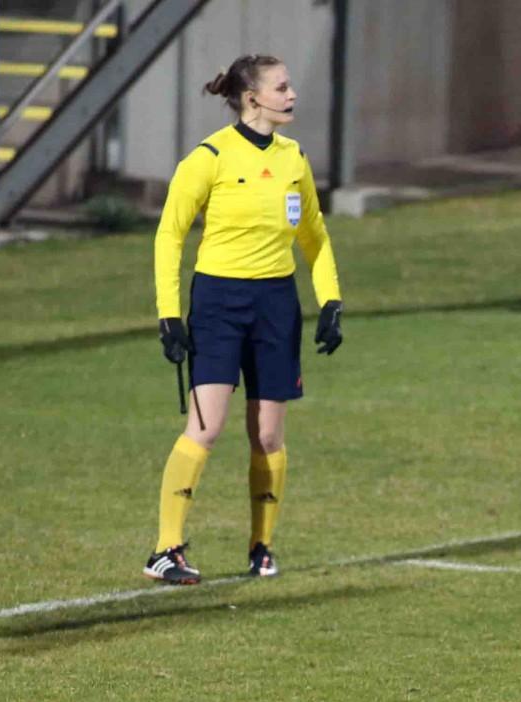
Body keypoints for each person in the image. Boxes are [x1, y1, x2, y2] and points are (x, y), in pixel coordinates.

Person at [144, 54, 345, 585]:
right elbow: (169, 235)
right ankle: (165, 549)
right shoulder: (208, 157)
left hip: (276, 304)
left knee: (269, 436)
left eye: (290, 85)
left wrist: (330, 301)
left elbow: (315, 235)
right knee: (206, 427)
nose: (292, 94)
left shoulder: (293, 158)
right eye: (282, 87)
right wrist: (169, 315)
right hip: (219, 302)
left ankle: (262, 547)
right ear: (252, 97)